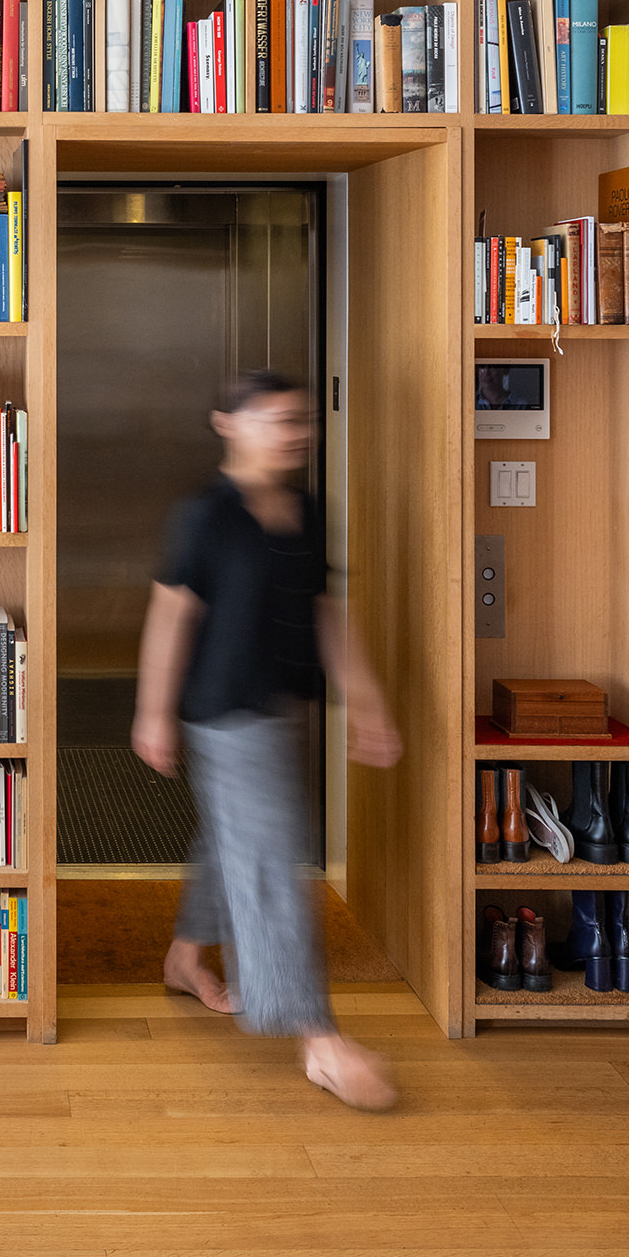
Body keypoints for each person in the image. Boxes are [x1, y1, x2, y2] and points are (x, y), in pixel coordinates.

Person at [132, 369, 402, 1111]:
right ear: (230, 424)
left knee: (235, 839)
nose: (294, 432)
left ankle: (185, 957)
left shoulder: (307, 511)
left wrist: (367, 699)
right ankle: (319, 1038)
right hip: (222, 710)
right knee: (273, 864)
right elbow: (171, 616)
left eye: (301, 419)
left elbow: (324, 611)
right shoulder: (205, 516)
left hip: (282, 703)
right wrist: (152, 711)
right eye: (277, 419)